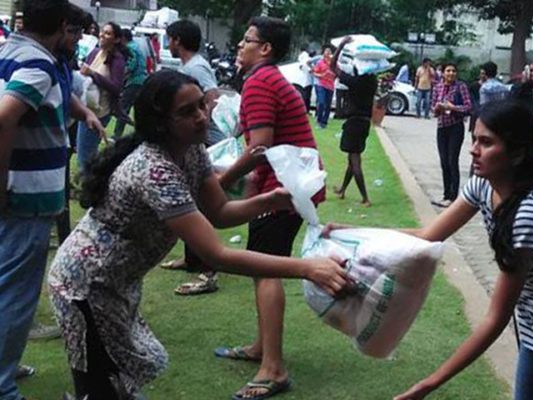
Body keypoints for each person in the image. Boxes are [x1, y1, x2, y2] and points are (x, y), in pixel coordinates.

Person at [48, 70, 349, 400]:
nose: (202, 117)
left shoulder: (191, 152)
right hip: (85, 285)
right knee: (99, 382)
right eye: (187, 112)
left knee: (116, 378)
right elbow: (216, 254)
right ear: (161, 122)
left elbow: (219, 212)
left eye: (201, 106)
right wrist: (307, 268)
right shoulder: (154, 169)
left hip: (117, 282)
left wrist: (268, 200)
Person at [325, 100, 533, 400]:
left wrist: (428, 384)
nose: (473, 149)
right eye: (474, 138)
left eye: (486, 142)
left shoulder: (528, 216)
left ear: (516, 153)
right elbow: (427, 236)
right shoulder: (482, 186)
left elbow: (495, 319)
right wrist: (351, 231)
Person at [215, 17, 327, 400]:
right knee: (262, 265)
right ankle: (262, 348)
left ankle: (273, 369)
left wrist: (221, 180)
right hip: (280, 185)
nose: (240, 46)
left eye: (247, 40)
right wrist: (250, 183)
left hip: (284, 190)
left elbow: (260, 144)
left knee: (267, 269)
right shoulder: (267, 78)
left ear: (265, 49)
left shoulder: (261, 80)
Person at [0, 0, 104, 398]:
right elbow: (4, 118)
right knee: (16, 292)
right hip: (23, 196)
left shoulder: (11, 51)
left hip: (20, 191)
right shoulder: (39, 64)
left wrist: (84, 113)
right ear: (62, 26)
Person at [161, 19, 230, 296]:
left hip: (207, 142)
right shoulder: (189, 66)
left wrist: (198, 124)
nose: (168, 44)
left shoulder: (197, 66)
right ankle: (192, 258)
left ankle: (208, 269)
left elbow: (212, 95)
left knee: (202, 203)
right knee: (192, 200)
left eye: (169, 39)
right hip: (197, 142)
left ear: (177, 40)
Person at [77, 22, 130, 174]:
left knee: (85, 154)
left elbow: (116, 87)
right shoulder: (95, 52)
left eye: (108, 33)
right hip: (86, 106)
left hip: (100, 111)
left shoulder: (117, 60)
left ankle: (91, 186)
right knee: (85, 151)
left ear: (116, 39)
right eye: (102, 32)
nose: (102, 35)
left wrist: (93, 74)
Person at [331, 36, 378, 207]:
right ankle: (343, 190)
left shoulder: (354, 82)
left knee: (355, 160)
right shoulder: (372, 81)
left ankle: (365, 197)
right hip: (364, 123)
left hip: (353, 123)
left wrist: (342, 45)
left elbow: (332, 66)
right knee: (353, 158)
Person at [430, 63, 472, 208]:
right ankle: (446, 194)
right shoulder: (437, 87)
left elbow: (468, 107)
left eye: (453, 71)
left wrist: (452, 107)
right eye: (448, 71)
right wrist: (437, 108)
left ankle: (453, 197)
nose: (451, 73)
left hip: (455, 126)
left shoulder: (461, 87)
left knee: (452, 160)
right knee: (443, 162)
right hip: (442, 127)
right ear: (443, 73)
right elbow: (433, 108)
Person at [112, 28, 147, 139]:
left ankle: (117, 134)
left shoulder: (130, 48)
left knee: (123, 107)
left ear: (123, 38)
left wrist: (119, 77)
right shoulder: (136, 46)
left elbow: (131, 66)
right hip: (141, 80)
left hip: (135, 81)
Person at [312, 43, 336, 129]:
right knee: (321, 102)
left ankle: (324, 122)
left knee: (328, 105)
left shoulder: (333, 62)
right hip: (321, 84)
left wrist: (333, 75)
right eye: (326, 51)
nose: (328, 53)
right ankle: (319, 120)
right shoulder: (320, 62)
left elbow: (337, 72)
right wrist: (321, 75)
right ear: (324, 53)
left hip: (330, 85)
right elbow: (314, 72)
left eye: (329, 52)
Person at [297, 44, 313, 112]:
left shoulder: (301, 60)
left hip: (302, 81)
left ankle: (304, 109)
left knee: (304, 96)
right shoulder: (308, 59)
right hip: (309, 81)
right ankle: (307, 109)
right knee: (307, 96)